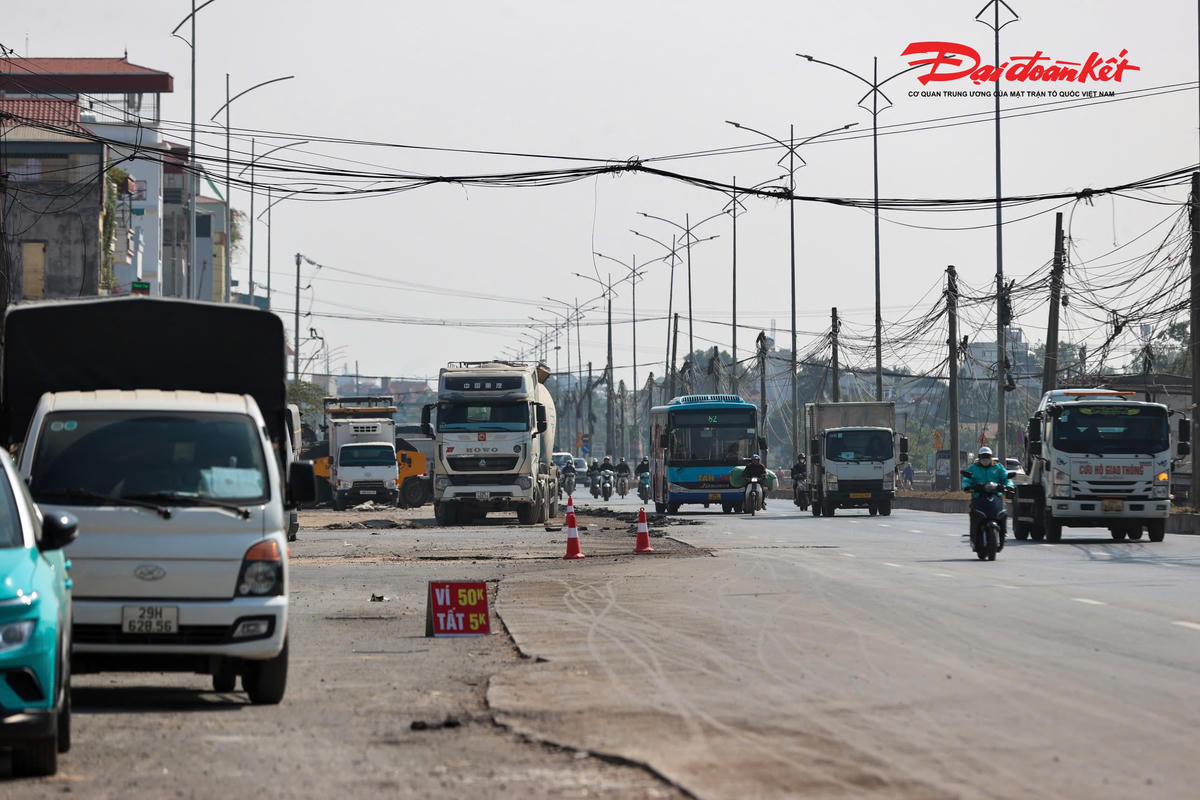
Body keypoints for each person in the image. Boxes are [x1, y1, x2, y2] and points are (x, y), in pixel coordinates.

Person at [960, 446, 1014, 549]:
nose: (985, 458)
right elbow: (966, 479)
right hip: (979, 497)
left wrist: (1009, 486)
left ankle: (1003, 533)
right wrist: (967, 486)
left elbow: (1006, 478)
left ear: (991, 457)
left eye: (987, 456)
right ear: (979, 457)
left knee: (1003, 513)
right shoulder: (973, 468)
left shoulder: (998, 467)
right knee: (974, 514)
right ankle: (973, 536)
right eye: (983, 456)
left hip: (995, 497)